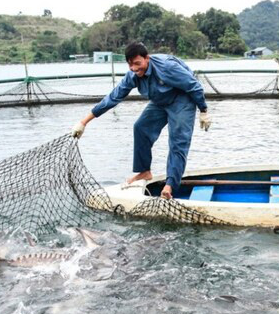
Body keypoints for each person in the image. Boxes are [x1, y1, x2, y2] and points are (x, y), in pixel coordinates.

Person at [72, 41, 211, 200]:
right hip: (159, 100)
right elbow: (113, 98)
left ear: (147, 58)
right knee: (140, 127)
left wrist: (203, 110)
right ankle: (144, 171)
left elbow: (194, 86)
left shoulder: (167, 68)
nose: (134, 68)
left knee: (178, 140)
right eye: (130, 64)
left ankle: (170, 185)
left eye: (137, 63)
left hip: (182, 99)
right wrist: (84, 122)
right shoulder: (133, 75)